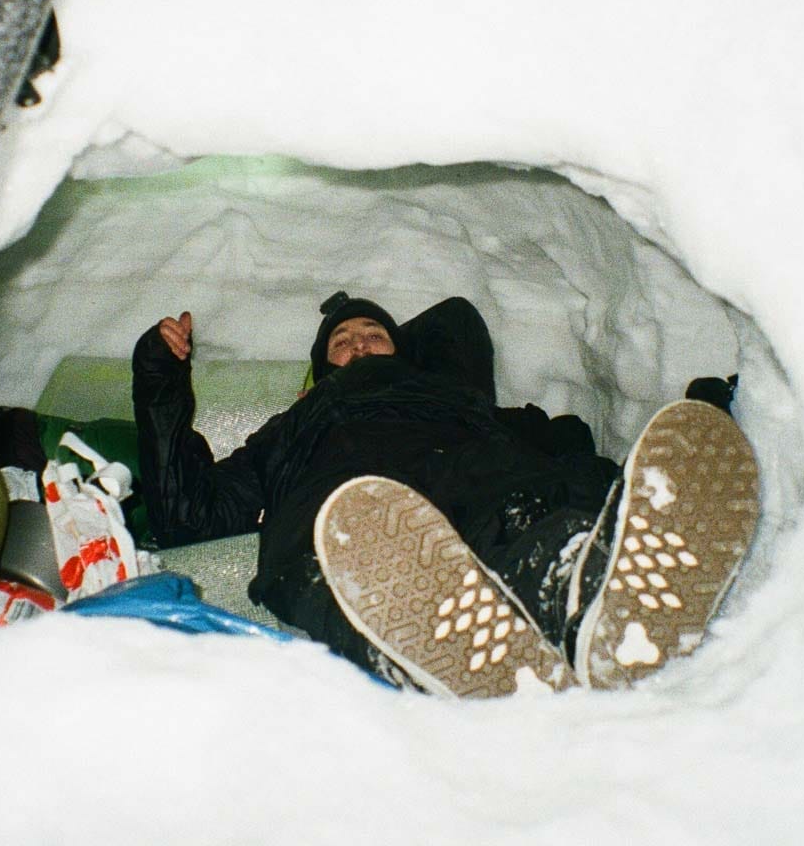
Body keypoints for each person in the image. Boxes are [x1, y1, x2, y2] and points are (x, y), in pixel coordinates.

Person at [131, 291, 759, 698]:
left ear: (402, 348)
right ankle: (434, 655)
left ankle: (582, 591)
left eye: (372, 334)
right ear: (319, 370)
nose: (356, 345)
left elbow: (566, 449)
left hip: (482, 486)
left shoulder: (466, 403)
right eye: (340, 342)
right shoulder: (289, 430)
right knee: (362, 564)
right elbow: (190, 514)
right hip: (354, 530)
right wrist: (159, 377)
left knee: (541, 513)